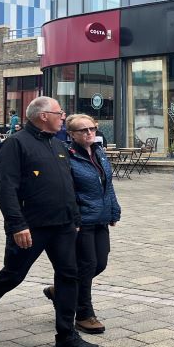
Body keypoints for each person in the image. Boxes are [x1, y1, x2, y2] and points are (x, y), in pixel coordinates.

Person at [0, 96, 98, 347]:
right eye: (59, 113)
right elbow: (7, 189)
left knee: (69, 275)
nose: (63, 117)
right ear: (43, 116)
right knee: (13, 275)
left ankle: (66, 335)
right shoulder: (16, 144)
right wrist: (17, 225)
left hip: (63, 225)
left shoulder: (58, 144)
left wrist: (75, 219)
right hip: (31, 227)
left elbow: (67, 185)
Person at [43, 114, 120, 335]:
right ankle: (84, 314)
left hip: (100, 217)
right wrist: (74, 218)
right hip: (81, 220)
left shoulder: (99, 152)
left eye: (92, 128)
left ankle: (61, 290)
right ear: (71, 134)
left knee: (100, 264)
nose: (89, 133)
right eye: (83, 130)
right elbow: (66, 191)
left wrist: (113, 210)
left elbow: (107, 185)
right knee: (87, 266)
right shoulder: (67, 156)